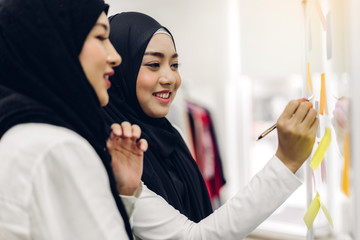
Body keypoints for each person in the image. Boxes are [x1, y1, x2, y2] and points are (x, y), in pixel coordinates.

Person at [104, 12, 319, 239]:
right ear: (117, 70)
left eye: (175, 64)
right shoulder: (113, 150)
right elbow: (193, 236)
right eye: (154, 64)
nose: (170, 78)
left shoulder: (170, 136)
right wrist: (285, 161)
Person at [0, 1, 147, 240]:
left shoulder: (15, 133)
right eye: (100, 36)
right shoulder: (56, 147)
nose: (115, 57)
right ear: (52, 44)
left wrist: (122, 193)